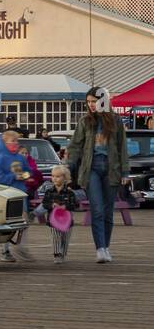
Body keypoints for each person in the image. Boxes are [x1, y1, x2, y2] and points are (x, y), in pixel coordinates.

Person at [67, 87, 130, 263]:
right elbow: (75, 146)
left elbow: (122, 147)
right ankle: (100, 249)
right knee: (97, 209)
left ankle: (106, 247)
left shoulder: (116, 120)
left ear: (104, 100)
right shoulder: (85, 121)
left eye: (94, 101)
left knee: (108, 211)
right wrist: (67, 167)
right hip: (91, 169)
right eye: (88, 102)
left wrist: (125, 172)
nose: (91, 105)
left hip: (112, 169)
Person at [0, 129, 34, 262]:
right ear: (5, 143)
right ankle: (6, 250)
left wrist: (25, 176)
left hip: (21, 194)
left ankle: (21, 247)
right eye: (12, 141)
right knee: (9, 223)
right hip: (7, 195)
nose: (15, 143)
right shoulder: (2, 158)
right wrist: (13, 176)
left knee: (24, 222)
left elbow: (29, 171)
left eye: (17, 141)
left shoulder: (20, 157)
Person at [39, 164, 80, 265]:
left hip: (67, 221)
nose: (55, 179)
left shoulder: (70, 193)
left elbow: (75, 205)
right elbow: (44, 203)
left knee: (65, 238)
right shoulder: (49, 191)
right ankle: (57, 254)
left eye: (58, 176)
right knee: (56, 237)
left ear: (65, 178)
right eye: (53, 176)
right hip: (53, 220)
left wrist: (65, 207)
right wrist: (51, 205)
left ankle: (63, 254)